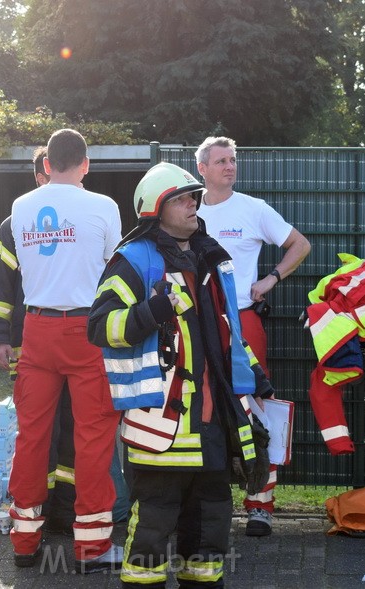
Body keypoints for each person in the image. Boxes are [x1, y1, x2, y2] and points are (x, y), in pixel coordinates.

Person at [88, 162, 270, 589]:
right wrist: (152, 311)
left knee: (210, 533)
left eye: (194, 197)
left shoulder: (208, 257)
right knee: (151, 530)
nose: (195, 202)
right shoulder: (133, 260)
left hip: (214, 424)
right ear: (157, 207)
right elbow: (100, 326)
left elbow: (224, 329)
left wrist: (254, 374)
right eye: (184, 198)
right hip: (164, 425)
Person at [7, 129, 124, 573]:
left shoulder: (20, 206)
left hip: (36, 327)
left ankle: (24, 540)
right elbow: (115, 264)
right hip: (87, 328)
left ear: (47, 164)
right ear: (86, 164)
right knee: (92, 437)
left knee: (32, 436)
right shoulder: (103, 207)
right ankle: (91, 549)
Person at [195, 136, 311, 537]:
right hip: (198, 324)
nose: (230, 166)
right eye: (221, 161)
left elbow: (300, 244)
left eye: (233, 160)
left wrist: (271, 278)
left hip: (243, 321)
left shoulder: (253, 209)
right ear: (202, 170)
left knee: (258, 407)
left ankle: (261, 505)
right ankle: (204, 501)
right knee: (201, 406)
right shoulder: (187, 212)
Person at [0, 146, 77, 534]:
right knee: (40, 433)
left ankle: (67, 510)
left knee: (74, 429)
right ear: (39, 177)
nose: (47, 182)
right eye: (42, 175)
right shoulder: (16, 223)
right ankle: (36, 509)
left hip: (78, 346)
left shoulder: (82, 220)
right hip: (28, 348)